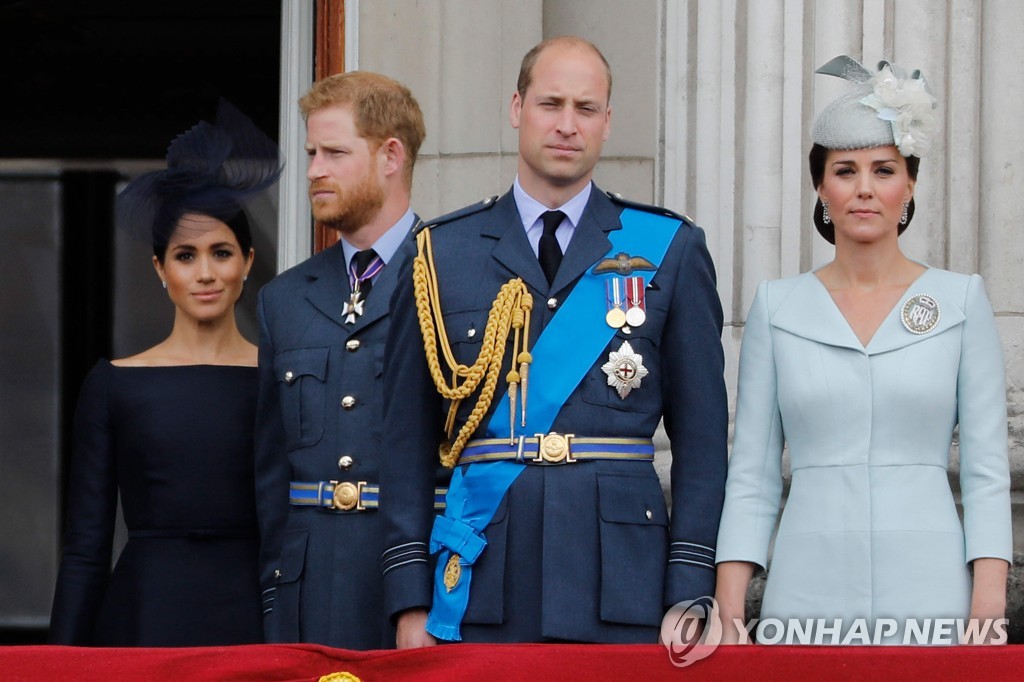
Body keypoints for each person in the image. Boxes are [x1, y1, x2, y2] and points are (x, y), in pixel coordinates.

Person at [380, 36, 727, 646]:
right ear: (517, 107)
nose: (568, 125)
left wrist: (688, 590)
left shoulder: (668, 248)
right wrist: (410, 603)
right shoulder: (441, 253)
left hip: (624, 584)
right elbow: (405, 444)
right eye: (551, 104)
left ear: (608, 121)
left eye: (586, 109)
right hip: (480, 582)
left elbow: (702, 446)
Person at [714, 56, 1011, 645]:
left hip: (933, 587)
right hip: (806, 587)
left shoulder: (960, 300)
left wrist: (989, 601)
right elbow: (752, 473)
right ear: (821, 187)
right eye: (845, 171)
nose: (866, 189)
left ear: (911, 183)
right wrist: (728, 611)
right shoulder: (777, 307)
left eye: (884, 169)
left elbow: (985, 472)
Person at [49, 101, 281, 646]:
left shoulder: (280, 379)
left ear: (247, 262)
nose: (205, 273)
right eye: (185, 255)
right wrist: (58, 663)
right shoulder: (114, 384)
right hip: (142, 622)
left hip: (257, 621)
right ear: (160, 268)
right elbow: (86, 546)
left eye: (221, 252)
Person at [254, 71, 433, 649]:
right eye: (311, 153)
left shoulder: (454, 277)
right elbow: (271, 471)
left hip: (419, 585)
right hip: (306, 592)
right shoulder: (283, 298)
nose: (313, 171)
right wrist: (275, 595)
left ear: (390, 156)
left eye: (334, 152)